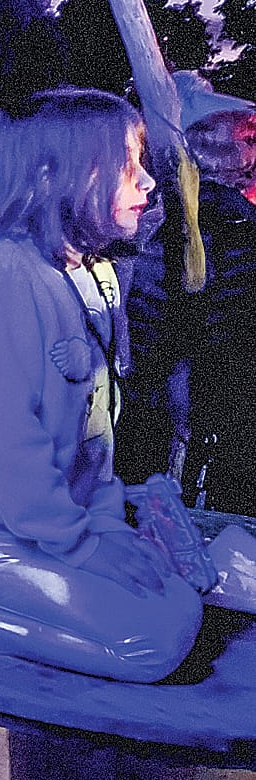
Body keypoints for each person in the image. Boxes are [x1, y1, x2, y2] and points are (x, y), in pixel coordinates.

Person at [0, 88, 203, 682]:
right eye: (125, 165)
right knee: (151, 640)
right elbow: (8, 445)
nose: (149, 183)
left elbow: (95, 431)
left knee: (179, 600)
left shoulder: (91, 272)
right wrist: (83, 546)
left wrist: (105, 525)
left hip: (34, 521)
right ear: (52, 176)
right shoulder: (3, 279)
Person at [122, 72, 256, 510]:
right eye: (242, 139)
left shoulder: (163, 210)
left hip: (163, 374)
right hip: (198, 373)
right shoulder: (212, 216)